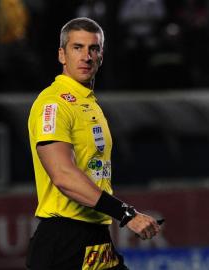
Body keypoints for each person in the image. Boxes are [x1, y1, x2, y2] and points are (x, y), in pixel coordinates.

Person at [26, 17, 162, 269]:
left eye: (93, 48)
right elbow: (64, 176)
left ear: (101, 56)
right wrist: (126, 214)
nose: (86, 56)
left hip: (95, 237)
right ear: (61, 55)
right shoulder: (54, 104)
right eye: (77, 48)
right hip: (64, 241)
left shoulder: (88, 103)